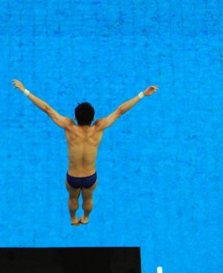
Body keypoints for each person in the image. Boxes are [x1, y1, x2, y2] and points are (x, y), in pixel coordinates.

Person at [12, 79, 158, 226]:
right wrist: (142, 94)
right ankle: (86, 217)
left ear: (75, 117)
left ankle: (73, 219)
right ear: (93, 118)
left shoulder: (69, 127)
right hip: (90, 177)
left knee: (72, 198)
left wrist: (24, 90)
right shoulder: (99, 127)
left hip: (73, 177)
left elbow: (47, 109)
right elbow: (120, 111)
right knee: (88, 199)